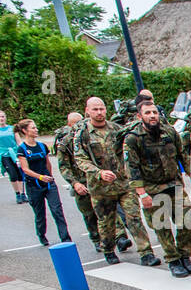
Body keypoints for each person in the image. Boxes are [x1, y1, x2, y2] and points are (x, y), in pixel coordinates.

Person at [74, 97, 154, 265]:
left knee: (134, 218)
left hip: (124, 184)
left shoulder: (117, 129)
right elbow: (80, 159)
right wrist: (98, 172)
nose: (99, 112)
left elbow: (129, 151)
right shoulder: (82, 134)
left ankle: (146, 252)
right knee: (106, 222)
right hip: (100, 188)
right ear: (87, 111)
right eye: (95, 109)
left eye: (102, 109)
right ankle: (109, 250)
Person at [123, 100, 191, 277]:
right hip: (152, 190)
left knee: (185, 221)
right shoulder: (133, 138)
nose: (152, 116)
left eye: (154, 112)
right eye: (147, 113)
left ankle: (185, 255)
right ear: (140, 116)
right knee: (162, 227)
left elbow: (182, 155)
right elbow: (132, 168)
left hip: (174, 185)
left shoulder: (169, 131)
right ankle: (173, 259)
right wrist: (142, 194)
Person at [14, 119, 70, 246]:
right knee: (40, 214)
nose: (36, 130)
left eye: (36, 127)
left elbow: (47, 163)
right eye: (33, 128)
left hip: (49, 184)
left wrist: (49, 176)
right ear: (25, 131)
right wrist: (40, 177)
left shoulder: (42, 146)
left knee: (57, 210)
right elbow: (25, 169)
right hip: (34, 186)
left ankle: (65, 238)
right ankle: (41, 234)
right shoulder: (22, 149)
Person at [54, 112, 100, 251]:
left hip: (96, 180)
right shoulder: (66, 143)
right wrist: (74, 183)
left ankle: (116, 238)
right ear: (70, 125)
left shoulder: (88, 136)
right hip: (80, 182)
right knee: (89, 214)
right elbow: (64, 167)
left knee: (107, 210)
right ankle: (96, 239)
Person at [0, 111, 25, 204]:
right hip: (4, 155)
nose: (1, 118)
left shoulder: (12, 129)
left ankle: (23, 194)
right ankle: (17, 194)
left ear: (5, 117)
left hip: (15, 153)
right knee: (13, 174)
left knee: (20, 173)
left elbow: (19, 141)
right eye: (0, 117)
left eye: (3, 116)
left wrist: (24, 150)